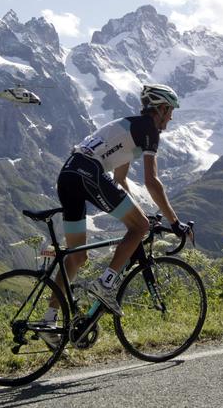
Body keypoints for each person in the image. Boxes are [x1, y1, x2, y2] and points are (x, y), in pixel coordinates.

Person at [40, 84, 192, 347]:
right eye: (170, 111)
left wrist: (141, 213)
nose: (171, 118)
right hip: (88, 171)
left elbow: (120, 179)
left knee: (77, 256)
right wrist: (174, 222)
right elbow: (152, 181)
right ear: (161, 109)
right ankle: (106, 284)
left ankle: (48, 319)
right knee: (139, 228)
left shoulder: (128, 128)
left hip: (68, 174)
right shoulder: (149, 129)